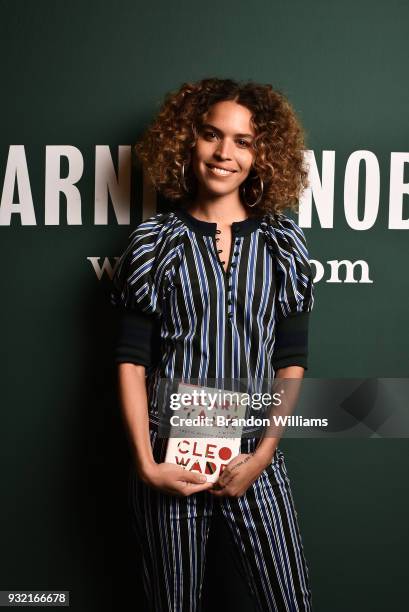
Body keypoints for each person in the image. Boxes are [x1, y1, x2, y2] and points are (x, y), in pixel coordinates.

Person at [110, 78, 315, 612]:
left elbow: (290, 365)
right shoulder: (155, 241)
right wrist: (147, 466)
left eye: (243, 141)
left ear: (262, 154)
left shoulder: (281, 241)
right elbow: (132, 363)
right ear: (188, 141)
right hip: (169, 453)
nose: (225, 153)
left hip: (253, 452)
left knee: (289, 600)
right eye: (211, 135)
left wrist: (263, 456)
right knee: (171, 601)